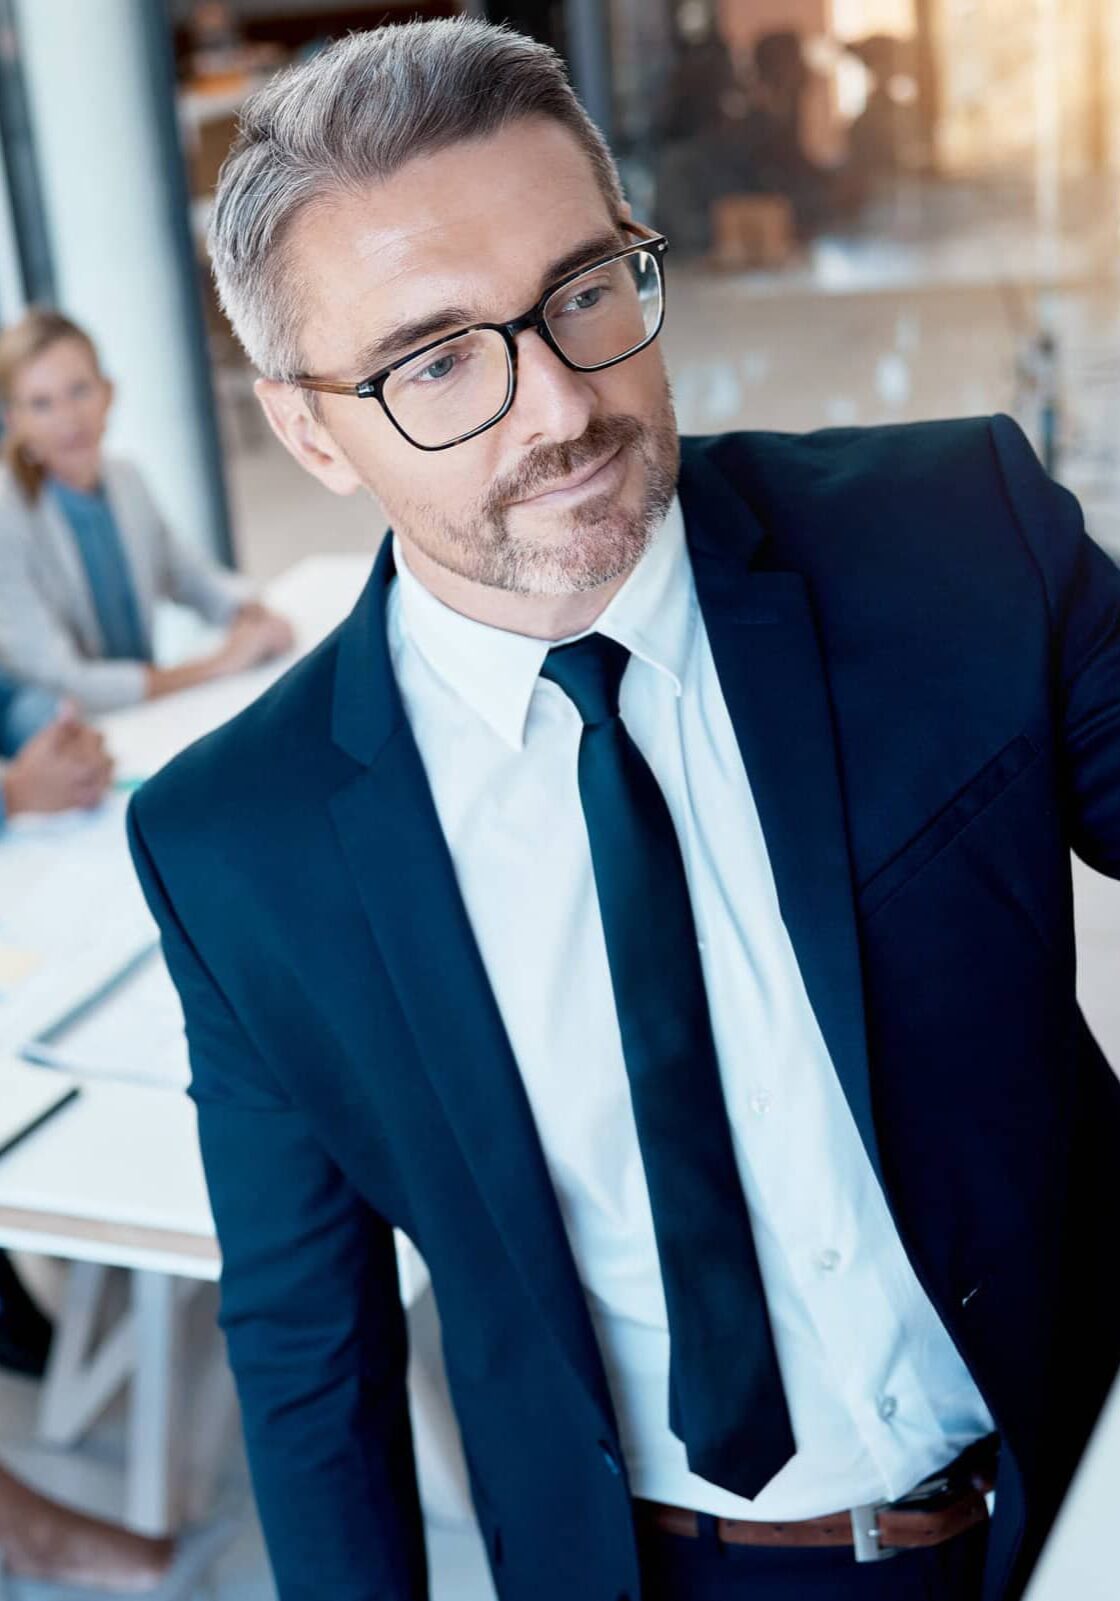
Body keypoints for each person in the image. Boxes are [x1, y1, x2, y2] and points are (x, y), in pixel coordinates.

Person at [126, 21, 1120, 1601]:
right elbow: (311, 1356)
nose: (557, 411)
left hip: (1071, 1499)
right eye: (435, 359)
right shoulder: (238, 843)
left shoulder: (957, 539)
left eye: (584, 293)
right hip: (658, 1570)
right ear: (310, 429)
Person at [0, 309, 294, 715]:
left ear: (108, 392)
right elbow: (59, 680)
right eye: (42, 403)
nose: (69, 419)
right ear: (14, 421)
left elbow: (187, 575)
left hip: (141, 719)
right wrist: (216, 666)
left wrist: (249, 614)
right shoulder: (8, 514)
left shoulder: (126, 480)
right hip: (63, 742)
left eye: (79, 390)